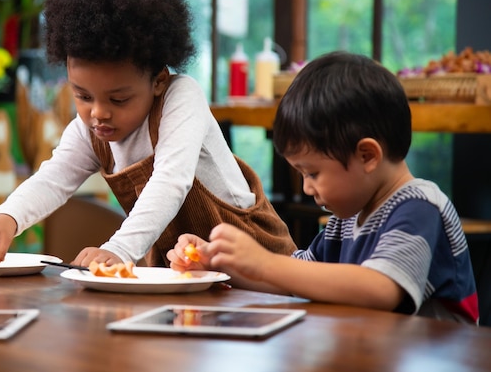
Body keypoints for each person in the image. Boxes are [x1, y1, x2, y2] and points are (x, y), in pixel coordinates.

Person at [0, 0, 297, 267]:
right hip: (186, 267)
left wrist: (119, 249)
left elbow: (171, 181)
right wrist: (8, 216)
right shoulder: (89, 130)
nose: (98, 113)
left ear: (158, 81)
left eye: (119, 99)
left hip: (259, 261)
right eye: (82, 96)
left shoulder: (180, 97)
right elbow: (53, 179)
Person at [168, 51, 479, 324]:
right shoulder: (345, 222)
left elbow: (381, 289)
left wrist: (264, 263)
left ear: (367, 155)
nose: (306, 188)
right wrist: (219, 264)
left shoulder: (420, 207)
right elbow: (294, 279)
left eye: (313, 172)